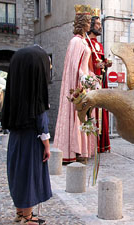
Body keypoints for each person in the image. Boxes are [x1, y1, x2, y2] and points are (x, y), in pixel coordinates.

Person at [1, 46, 52, 225]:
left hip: (16, 139)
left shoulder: (15, 94)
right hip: (31, 140)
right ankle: (28, 217)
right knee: (29, 175)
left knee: (18, 174)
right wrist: (47, 145)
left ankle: (20, 213)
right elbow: (41, 121)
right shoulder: (35, 95)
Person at [54, 5, 98, 163]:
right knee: (78, 116)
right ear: (81, 23)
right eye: (87, 21)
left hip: (84, 84)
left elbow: (84, 66)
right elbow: (75, 67)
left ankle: (82, 150)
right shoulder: (76, 42)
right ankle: (74, 151)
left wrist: (92, 77)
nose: (89, 24)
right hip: (79, 86)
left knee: (84, 117)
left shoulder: (85, 42)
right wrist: (85, 80)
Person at [86, 10, 112, 153]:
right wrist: (95, 66)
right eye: (96, 24)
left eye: (99, 24)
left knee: (102, 112)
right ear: (90, 26)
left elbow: (100, 61)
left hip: (100, 82)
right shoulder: (86, 43)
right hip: (91, 84)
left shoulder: (99, 45)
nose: (99, 27)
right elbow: (86, 63)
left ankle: (102, 144)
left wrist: (105, 64)